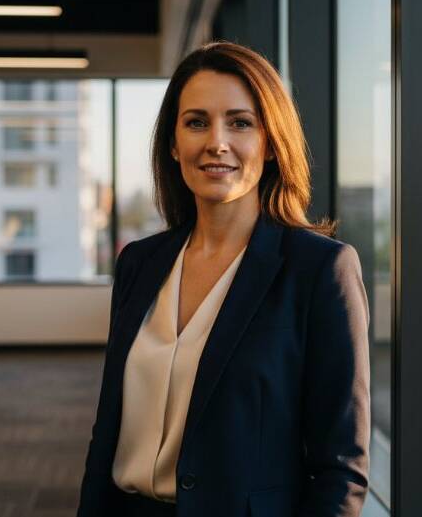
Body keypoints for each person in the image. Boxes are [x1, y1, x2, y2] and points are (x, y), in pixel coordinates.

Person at [76, 42, 371, 517]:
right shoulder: (139, 263)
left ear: (271, 143)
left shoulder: (319, 270)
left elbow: (341, 469)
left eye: (240, 123)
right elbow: (108, 428)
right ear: (173, 144)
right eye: (196, 122)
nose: (217, 142)